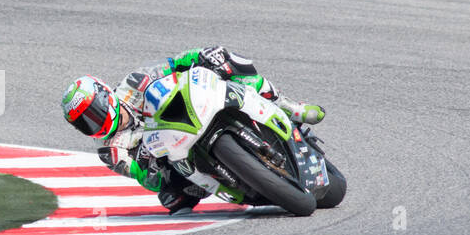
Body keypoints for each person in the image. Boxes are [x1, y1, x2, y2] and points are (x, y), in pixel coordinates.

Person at [61, 46, 324, 213]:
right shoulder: (111, 151)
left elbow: (175, 65)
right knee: (172, 200)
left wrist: (201, 56)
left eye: (93, 113)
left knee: (228, 62)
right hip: (173, 154)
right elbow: (147, 180)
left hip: (192, 111)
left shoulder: (134, 83)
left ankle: (289, 107)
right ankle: (239, 185)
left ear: (105, 94)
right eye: (86, 122)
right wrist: (151, 169)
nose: (95, 122)